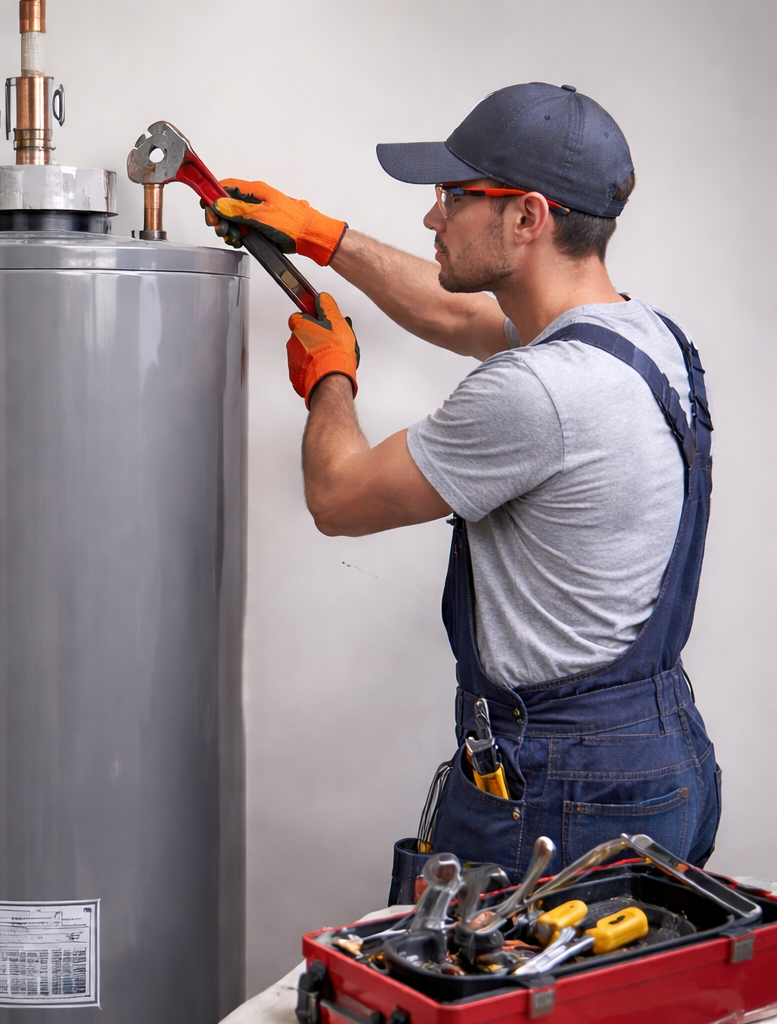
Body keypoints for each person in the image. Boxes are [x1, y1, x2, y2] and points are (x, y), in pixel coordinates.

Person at [208, 83, 719, 882]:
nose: (431, 216)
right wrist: (322, 237)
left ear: (527, 218)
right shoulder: (643, 339)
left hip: (565, 789)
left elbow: (337, 499)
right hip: (664, 753)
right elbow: (455, 318)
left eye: (452, 196)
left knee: (502, 1005)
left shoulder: (537, 392)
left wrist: (329, 377)